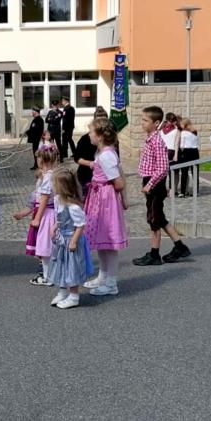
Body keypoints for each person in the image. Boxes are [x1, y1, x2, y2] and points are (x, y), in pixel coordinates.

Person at [133, 106, 192, 267]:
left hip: (154, 184)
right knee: (159, 218)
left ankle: (154, 254)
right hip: (151, 183)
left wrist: (150, 185)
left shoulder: (157, 141)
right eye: (142, 119)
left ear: (156, 122)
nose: (142, 123)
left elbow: (162, 168)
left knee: (154, 220)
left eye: (146, 120)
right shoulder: (150, 139)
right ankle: (180, 247)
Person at [83, 118, 128, 295]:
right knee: (102, 241)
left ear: (100, 136)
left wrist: (103, 189)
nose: (89, 134)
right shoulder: (102, 153)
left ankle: (111, 282)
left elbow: (118, 182)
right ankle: (103, 275)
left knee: (108, 242)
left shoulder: (107, 155)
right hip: (99, 198)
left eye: (91, 132)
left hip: (105, 201)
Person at [47, 167, 94, 309]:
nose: (52, 187)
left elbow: (80, 225)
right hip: (61, 239)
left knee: (71, 268)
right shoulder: (57, 200)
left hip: (70, 240)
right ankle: (62, 292)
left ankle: (73, 296)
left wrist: (73, 241)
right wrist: (54, 227)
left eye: (54, 184)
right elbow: (59, 218)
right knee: (60, 265)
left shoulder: (73, 207)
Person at [16, 144, 59, 286]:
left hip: (46, 214)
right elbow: (37, 200)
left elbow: (44, 199)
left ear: (41, 160)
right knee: (46, 246)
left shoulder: (48, 177)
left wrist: (37, 218)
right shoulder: (49, 176)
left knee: (45, 246)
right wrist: (24, 213)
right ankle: (51, 274)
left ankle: (48, 276)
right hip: (46, 212)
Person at [74, 109, 107, 198]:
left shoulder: (110, 141)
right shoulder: (85, 139)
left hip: (103, 179)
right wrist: (91, 164)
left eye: (104, 121)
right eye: (98, 121)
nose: (101, 124)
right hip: (86, 176)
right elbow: (77, 157)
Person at [177, 116, 200, 197]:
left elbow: (182, 145)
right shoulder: (195, 131)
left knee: (184, 172)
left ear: (184, 124)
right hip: (195, 152)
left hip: (186, 152)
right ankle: (195, 192)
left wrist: (181, 152)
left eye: (181, 124)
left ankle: (182, 192)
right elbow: (198, 143)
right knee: (195, 172)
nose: (180, 125)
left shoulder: (183, 132)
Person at [161, 112, 181, 196]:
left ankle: (169, 190)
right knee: (168, 172)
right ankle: (170, 190)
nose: (173, 122)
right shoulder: (175, 130)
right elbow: (176, 144)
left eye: (174, 121)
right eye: (172, 121)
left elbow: (176, 143)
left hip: (166, 151)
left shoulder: (162, 129)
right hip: (168, 151)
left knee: (167, 172)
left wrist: (176, 154)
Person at [60, 96, 77, 160]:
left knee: (66, 140)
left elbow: (65, 120)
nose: (62, 102)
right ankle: (70, 153)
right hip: (70, 127)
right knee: (68, 140)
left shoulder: (67, 108)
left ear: (65, 101)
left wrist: (63, 128)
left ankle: (66, 153)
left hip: (67, 128)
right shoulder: (70, 108)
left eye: (63, 101)